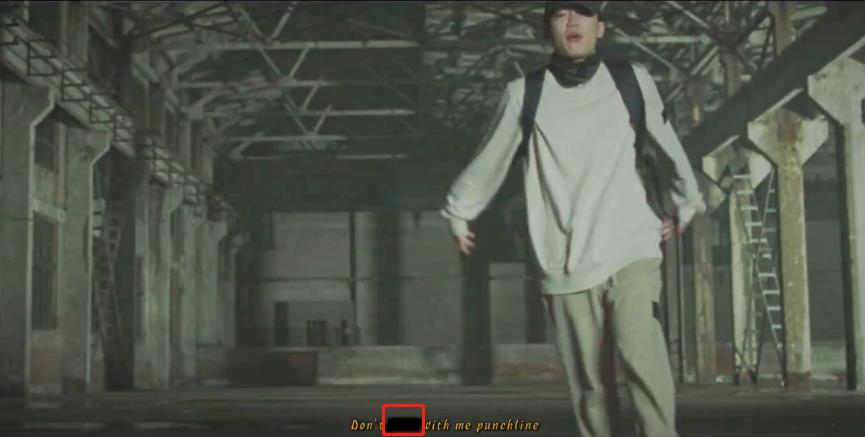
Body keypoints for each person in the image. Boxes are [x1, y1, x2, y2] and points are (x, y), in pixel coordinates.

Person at [438, 1, 707, 436]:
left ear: (600, 27)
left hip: (630, 246)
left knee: (641, 351)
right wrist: (459, 210)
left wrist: (686, 199)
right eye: (561, 14)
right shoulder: (525, 93)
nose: (572, 22)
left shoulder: (631, 80)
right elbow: (491, 157)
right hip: (564, 259)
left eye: (582, 13)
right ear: (549, 30)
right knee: (591, 384)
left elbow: (665, 142)